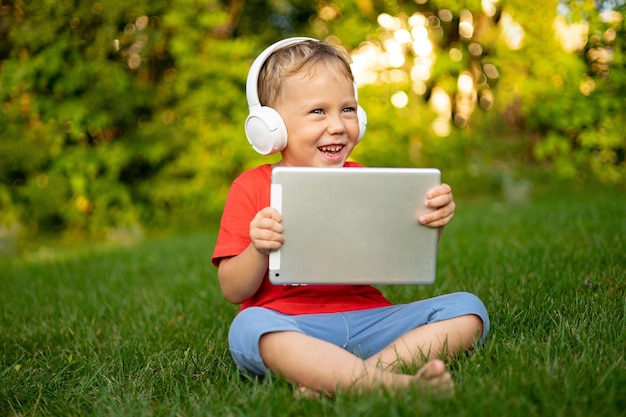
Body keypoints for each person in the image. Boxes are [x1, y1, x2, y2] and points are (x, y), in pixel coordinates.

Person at [212, 37, 489, 395]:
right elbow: (233, 290)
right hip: (291, 326)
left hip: (369, 320)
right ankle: (391, 384)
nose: (339, 125)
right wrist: (258, 249)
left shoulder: (363, 177)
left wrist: (430, 225)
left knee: (468, 310)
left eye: (347, 109)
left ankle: (350, 379)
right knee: (248, 328)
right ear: (270, 126)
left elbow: (396, 259)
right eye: (318, 112)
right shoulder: (249, 187)